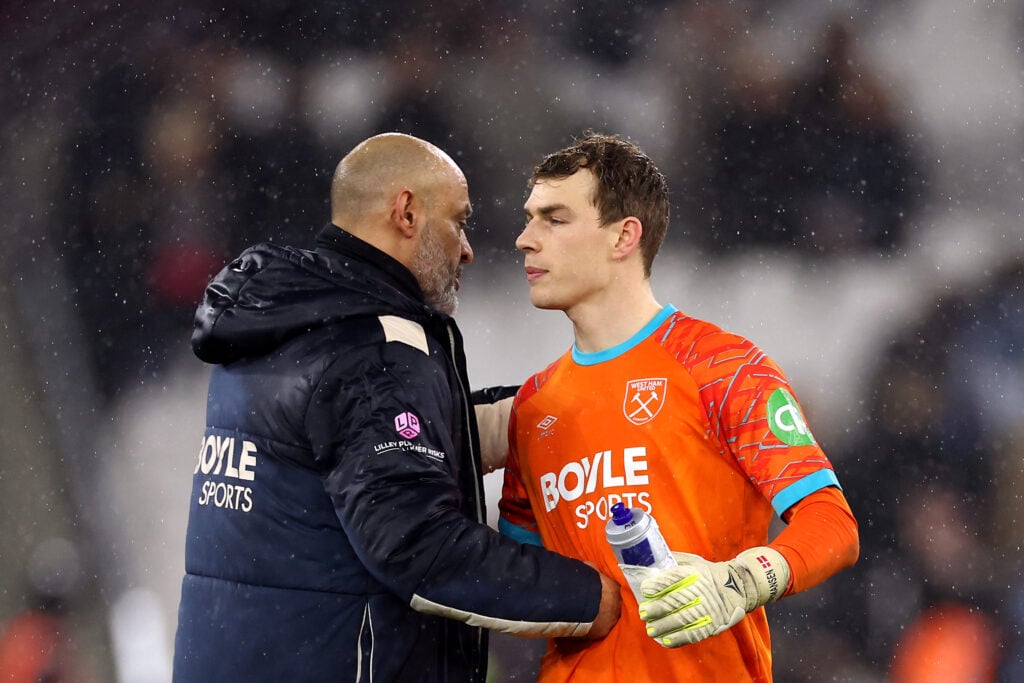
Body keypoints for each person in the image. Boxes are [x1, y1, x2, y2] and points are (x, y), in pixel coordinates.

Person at [172, 132, 621, 682]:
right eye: (459, 221)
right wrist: (592, 599)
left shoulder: (279, 326)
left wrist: (554, 412)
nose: (467, 248)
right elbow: (420, 547)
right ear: (406, 212)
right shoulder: (373, 348)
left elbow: (352, 452)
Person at [499, 131, 860, 681]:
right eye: (529, 218)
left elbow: (832, 524)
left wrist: (739, 581)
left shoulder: (721, 365)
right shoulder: (532, 406)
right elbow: (515, 583)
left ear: (624, 236)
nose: (525, 238)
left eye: (554, 219)